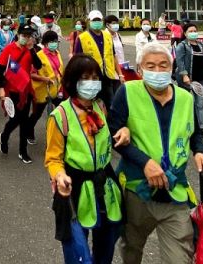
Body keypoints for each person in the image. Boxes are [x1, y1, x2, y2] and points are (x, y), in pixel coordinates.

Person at [108, 42, 203, 264]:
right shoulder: (127, 92)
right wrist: (144, 162)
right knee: (131, 249)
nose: (157, 71)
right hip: (137, 191)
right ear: (139, 70)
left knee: (180, 257)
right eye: (151, 66)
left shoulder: (185, 97)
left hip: (175, 190)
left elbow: (193, 133)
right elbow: (113, 135)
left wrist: (200, 152)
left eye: (163, 65)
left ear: (171, 68)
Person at [45, 54, 127, 264]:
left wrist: (124, 130)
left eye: (95, 77)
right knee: (78, 250)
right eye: (85, 77)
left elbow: (110, 134)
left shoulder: (100, 107)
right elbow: (53, 158)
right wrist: (59, 175)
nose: (91, 82)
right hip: (75, 188)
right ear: (72, 81)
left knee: (106, 245)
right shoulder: (60, 116)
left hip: (105, 184)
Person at [0, 25, 40, 164]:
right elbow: (1, 70)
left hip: (25, 90)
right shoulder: (9, 49)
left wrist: (32, 50)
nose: (27, 38)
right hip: (12, 90)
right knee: (15, 119)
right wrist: (1, 88)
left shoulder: (30, 50)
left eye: (29, 36)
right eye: (25, 35)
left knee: (24, 121)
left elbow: (38, 66)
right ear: (18, 34)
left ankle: (23, 151)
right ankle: (4, 136)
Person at [74, 10, 120, 109]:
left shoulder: (107, 36)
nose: (97, 22)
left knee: (111, 104)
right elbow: (77, 60)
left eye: (99, 20)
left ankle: (109, 123)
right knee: (93, 104)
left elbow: (113, 55)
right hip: (92, 77)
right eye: (94, 20)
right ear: (89, 21)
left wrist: (120, 74)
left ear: (102, 21)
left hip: (108, 76)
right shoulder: (82, 38)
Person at [173, 23, 203, 140]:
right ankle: (183, 126)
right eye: (190, 31)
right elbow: (180, 62)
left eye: (195, 30)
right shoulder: (182, 46)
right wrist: (184, 75)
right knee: (184, 103)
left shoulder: (200, 45)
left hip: (200, 80)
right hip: (186, 80)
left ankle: (202, 128)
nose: (193, 33)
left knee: (200, 104)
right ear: (185, 33)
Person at [28, 30, 63, 144]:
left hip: (57, 90)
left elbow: (60, 70)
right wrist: (45, 79)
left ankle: (61, 134)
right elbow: (32, 74)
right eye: (51, 41)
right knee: (37, 114)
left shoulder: (57, 53)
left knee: (63, 111)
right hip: (43, 91)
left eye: (55, 41)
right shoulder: (39, 56)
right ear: (45, 43)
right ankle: (29, 131)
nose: (54, 43)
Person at [104, 14, 128, 86]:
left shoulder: (118, 35)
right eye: (114, 23)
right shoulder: (104, 36)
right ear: (107, 25)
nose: (116, 25)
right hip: (110, 69)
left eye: (117, 23)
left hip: (121, 67)